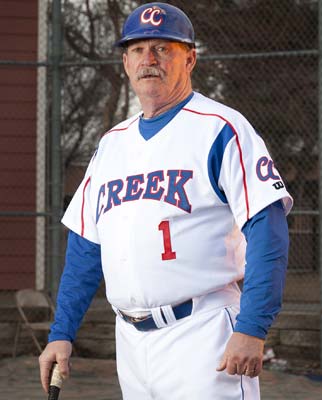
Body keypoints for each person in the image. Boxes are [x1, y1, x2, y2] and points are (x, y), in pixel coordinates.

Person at [39, 3, 293, 399]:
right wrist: (61, 333)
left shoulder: (222, 129)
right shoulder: (110, 145)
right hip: (130, 342)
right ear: (125, 61)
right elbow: (86, 249)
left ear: (189, 58)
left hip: (204, 335)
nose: (149, 59)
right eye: (139, 49)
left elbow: (268, 231)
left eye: (163, 48)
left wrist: (252, 327)